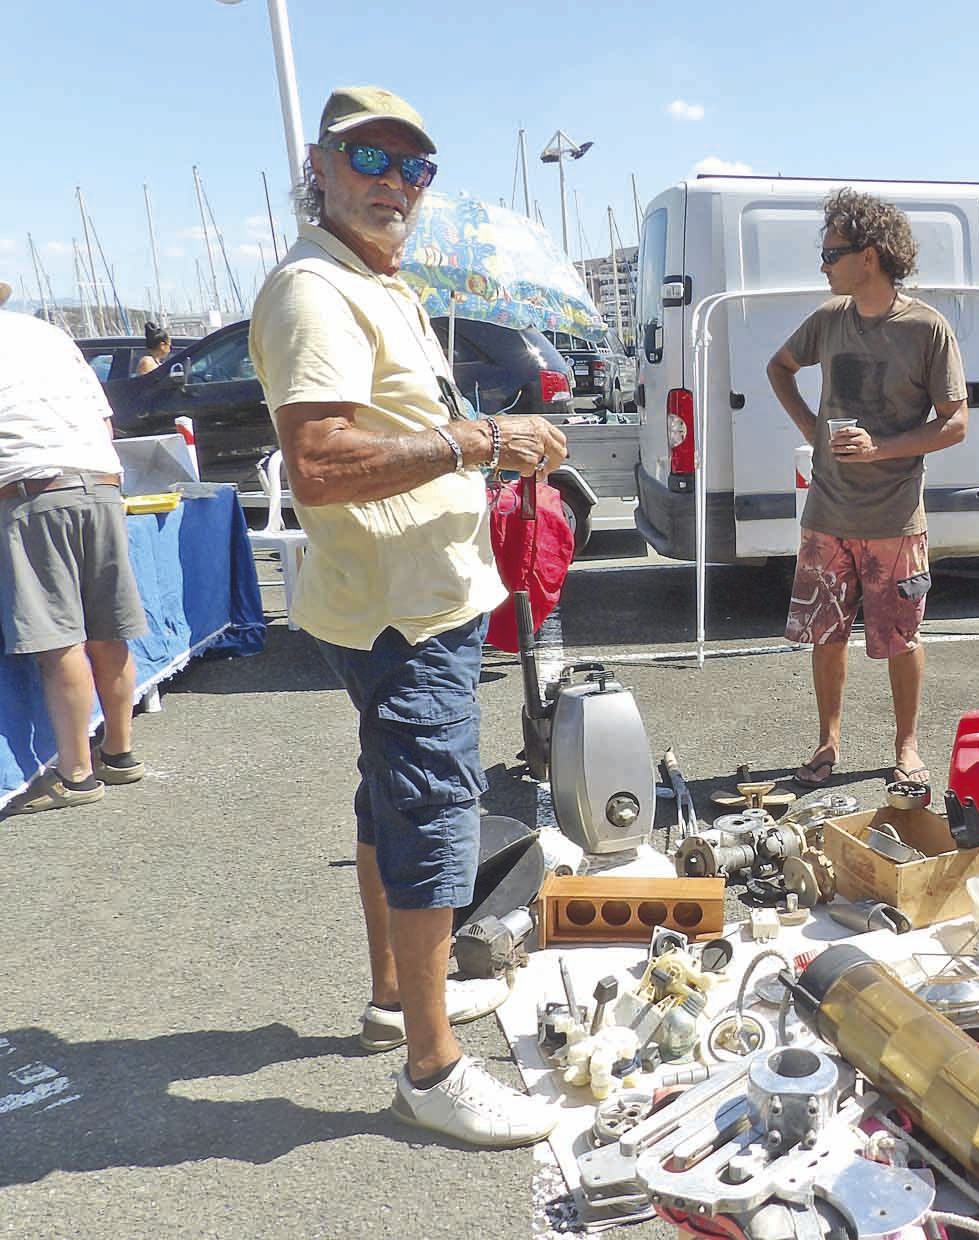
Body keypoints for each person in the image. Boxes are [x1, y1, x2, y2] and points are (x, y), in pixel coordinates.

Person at [249, 86, 567, 1148]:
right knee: (432, 811)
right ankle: (432, 1069)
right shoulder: (312, 291)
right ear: (323, 165)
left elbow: (392, 427)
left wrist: (488, 434)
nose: (396, 183)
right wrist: (479, 444)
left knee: (391, 795)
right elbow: (323, 461)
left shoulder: (375, 284)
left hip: (407, 596)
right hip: (402, 611)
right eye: (373, 158)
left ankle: (396, 993)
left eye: (415, 167)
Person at [766, 189, 968, 790]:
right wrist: (811, 429)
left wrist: (881, 449)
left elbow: (955, 423)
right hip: (828, 513)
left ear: (870, 256)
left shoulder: (927, 328)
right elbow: (779, 367)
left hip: (895, 519)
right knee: (825, 637)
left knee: (901, 639)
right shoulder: (829, 321)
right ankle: (826, 745)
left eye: (831, 253)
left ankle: (906, 746)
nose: (822, 265)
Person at [0, 280, 148, 814]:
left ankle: (75, 774)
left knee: (59, 636)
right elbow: (105, 419)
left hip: (32, 491)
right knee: (108, 627)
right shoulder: (49, 335)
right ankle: (120, 751)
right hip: (100, 482)